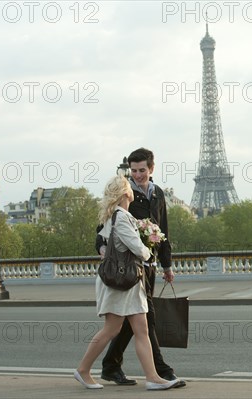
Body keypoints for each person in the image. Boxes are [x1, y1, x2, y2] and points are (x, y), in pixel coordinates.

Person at [75, 175, 180, 391]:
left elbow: (104, 244)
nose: (133, 189)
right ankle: (83, 370)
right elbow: (137, 248)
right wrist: (150, 251)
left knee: (140, 329)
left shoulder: (112, 216)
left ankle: (153, 377)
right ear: (126, 193)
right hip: (121, 281)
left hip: (126, 281)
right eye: (129, 187)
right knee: (111, 329)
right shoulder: (121, 217)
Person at [96, 147, 185, 387]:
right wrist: (101, 248)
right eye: (133, 171)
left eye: (142, 170)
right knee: (146, 317)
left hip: (150, 263)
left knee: (133, 319)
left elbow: (163, 231)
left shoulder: (158, 194)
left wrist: (167, 265)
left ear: (151, 169)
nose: (137, 175)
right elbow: (104, 226)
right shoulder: (125, 195)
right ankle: (160, 371)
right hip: (132, 266)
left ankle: (111, 365)